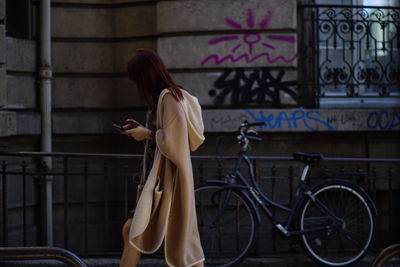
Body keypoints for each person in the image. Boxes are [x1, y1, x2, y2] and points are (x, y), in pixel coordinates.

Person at [118, 48, 205, 267]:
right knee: (182, 241)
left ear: (145, 76)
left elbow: (174, 141)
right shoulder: (169, 95)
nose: (136, 85)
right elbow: (167, 135)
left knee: (136, 233)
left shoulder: (168, 97)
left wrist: (146, 133)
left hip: (166, 182)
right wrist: (142, 131)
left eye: (137, 79)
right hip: (160, 180)